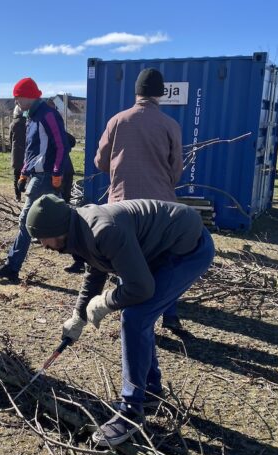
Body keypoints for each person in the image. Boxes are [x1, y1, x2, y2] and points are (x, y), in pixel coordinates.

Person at [25, 194, 215, 447]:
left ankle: (131, 412)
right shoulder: (77, 230)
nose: (42, 245)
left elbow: (141, 288)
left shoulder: (103, 230)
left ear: (54, 229)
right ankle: (150, 392)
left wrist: (105, 302)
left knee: (135, 318)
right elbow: (95, 270)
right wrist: (78, 317)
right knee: (137, 317)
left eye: (41, 239)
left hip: (185, 249)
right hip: (155, 248)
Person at [94, 68, 184, 330]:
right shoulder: (170, 125)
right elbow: (175, 169)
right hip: (161, 207)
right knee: (164, 260)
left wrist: (119, 171)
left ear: (136, 92)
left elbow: (100, 161)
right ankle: (170, 315)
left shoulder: (117, 121)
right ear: (160, 94)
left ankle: (130, 314)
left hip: (123, 204)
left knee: (127, 259)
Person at [0, 77, 68, 284]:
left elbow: (62, 145)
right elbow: (31, 151)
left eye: (17, 98)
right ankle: (83, 257)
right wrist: (23, 173)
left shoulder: (48, 115)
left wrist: (57, 172)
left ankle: (12, 267)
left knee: (25, 221)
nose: (16, 102)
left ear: (29, 96)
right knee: (63, 218)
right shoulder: (31, 117)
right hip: (37, 175)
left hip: (47, 176)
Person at [46, 97, 84, 274]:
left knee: (65, 215)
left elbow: (68, 142)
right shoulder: (48, 123)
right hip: (60, 172)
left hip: (60, 173)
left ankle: (79, 258)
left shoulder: (51, 123)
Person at [9, 105, 26, 201]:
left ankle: (17, 196)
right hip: (27, 151)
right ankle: (26, 190)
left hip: (16, 152)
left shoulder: (13, 124)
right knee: (28, 173)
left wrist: (13, 147)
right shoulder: (28, 123)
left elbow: (10, 139)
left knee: (16, 174)